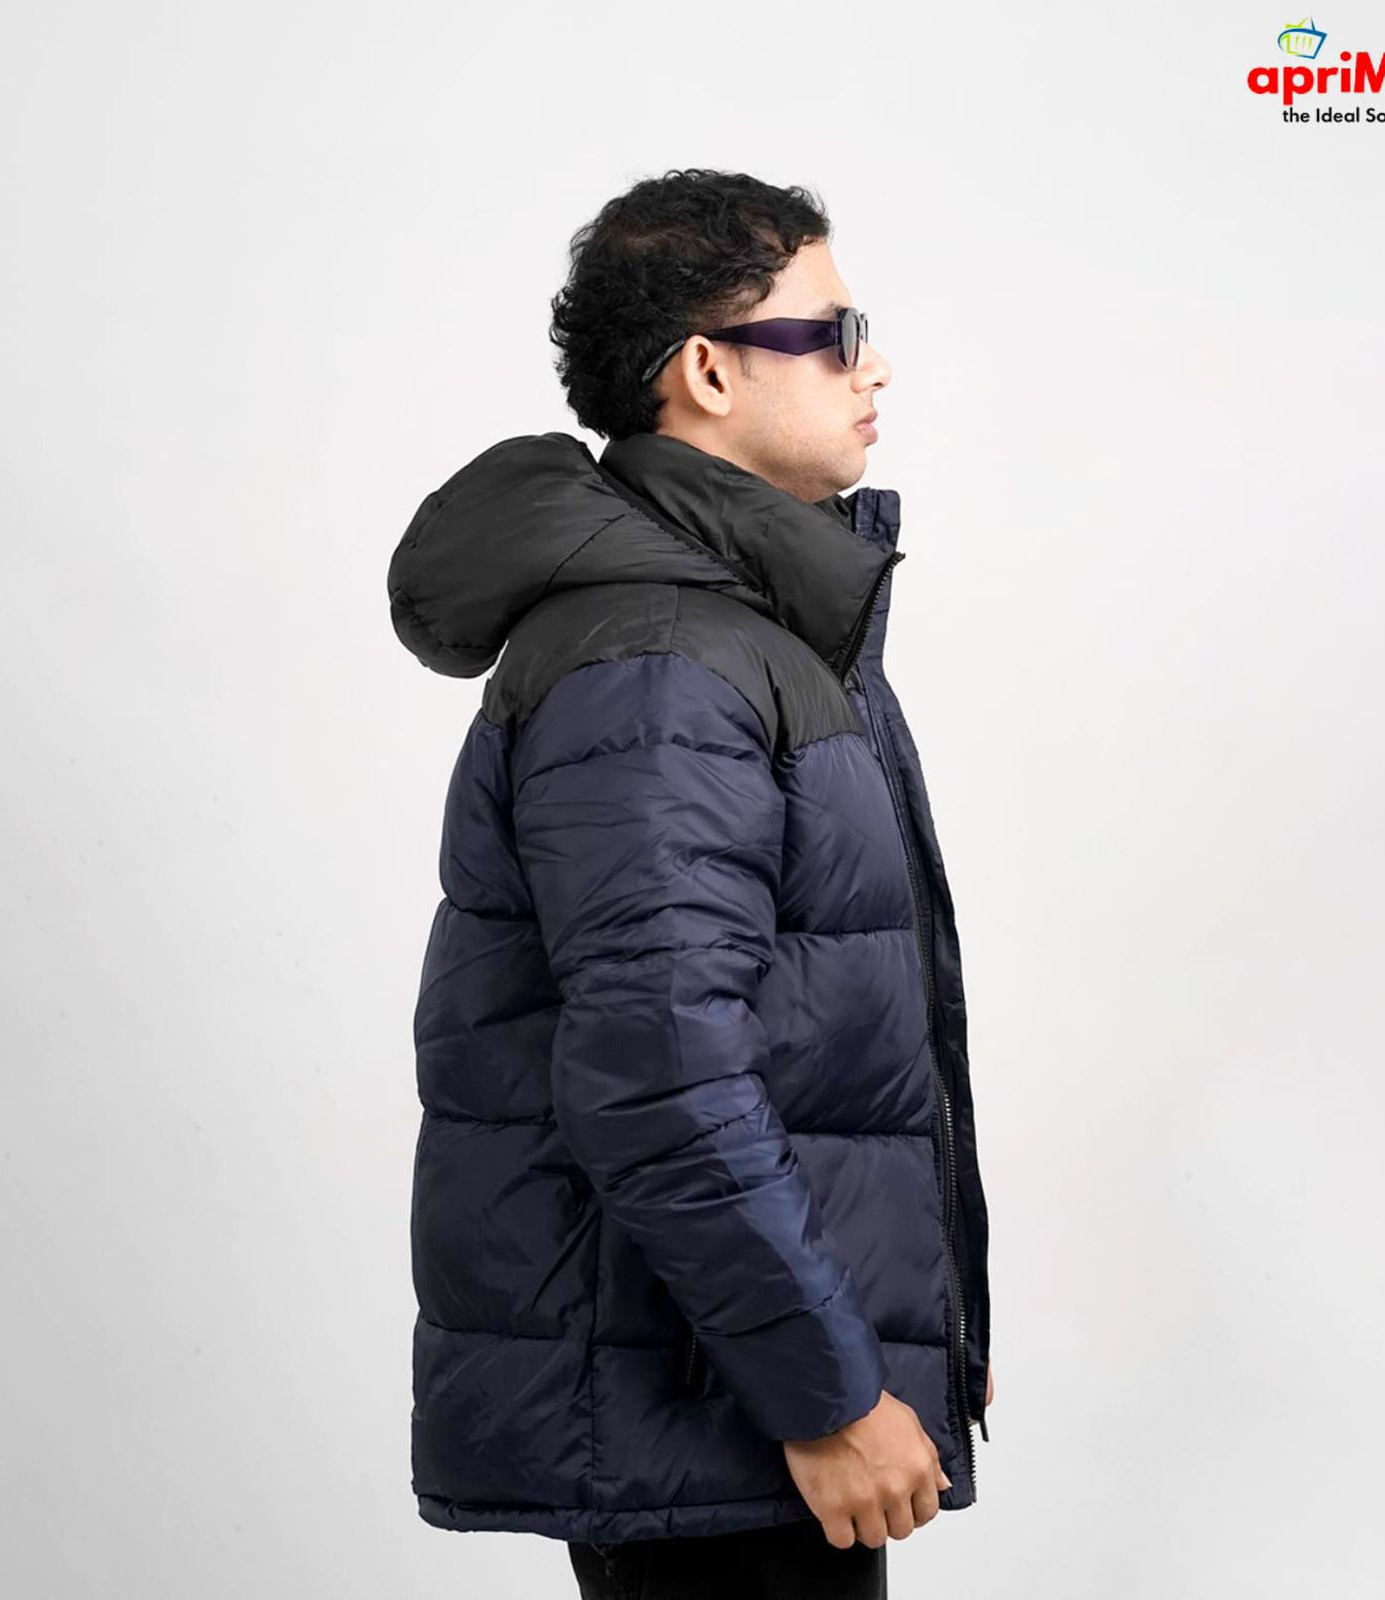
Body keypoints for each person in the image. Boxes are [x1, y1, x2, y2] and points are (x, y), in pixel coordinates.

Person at [386, 168, 993, 1599]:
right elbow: (659, 1071)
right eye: (836, 335)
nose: (875, 367)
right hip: (712, 1421)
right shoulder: (662, 663)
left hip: (727, 1401)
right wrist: (832, 1395)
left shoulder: (748, 632)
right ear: (709, 372)